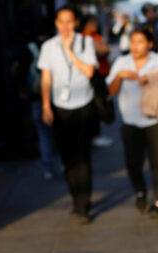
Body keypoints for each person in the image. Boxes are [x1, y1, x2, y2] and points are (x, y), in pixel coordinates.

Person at [38, 5, 98, 224]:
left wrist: (70, 51)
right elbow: (46, 78)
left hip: (83, 104)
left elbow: (89, 71)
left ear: (76, 23)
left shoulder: (85, 42)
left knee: (82, 154)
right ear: (56, 23)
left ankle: (84, 202)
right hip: (59, 106)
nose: (65, 26)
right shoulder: (48, 47)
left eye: (69, 21)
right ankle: (76, 198)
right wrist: (46, 106)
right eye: (61, 21)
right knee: (67, 156)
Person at [107, 28, 158, 217]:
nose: (135, 46)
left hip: (157, 120)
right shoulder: (121, 62)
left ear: (150, 44)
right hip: (130, 121)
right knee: (133, 163)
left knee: (157, 162)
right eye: (132, 41)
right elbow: (111, 91)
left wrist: (148, 79)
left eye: (140, 41)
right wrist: (120, 76)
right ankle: (140, 192)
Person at [27, 21, 63, 180]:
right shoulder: (53, 48)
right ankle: (64, 164)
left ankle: (48, 167)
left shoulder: (29, 48)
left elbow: (16, 70)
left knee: (44, 134)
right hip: (56, 96)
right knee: (59, 133)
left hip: (36, 97)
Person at [80, 15, 115, 148]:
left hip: (101, 74)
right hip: (94, 76)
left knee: (100, 103)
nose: (95, 24)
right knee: (96, 105)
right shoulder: (86, 38)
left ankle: (96, 134)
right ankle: (95, 135)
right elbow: (103, 51)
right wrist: (104, 49)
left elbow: (105, 50)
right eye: (92, 22)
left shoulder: (96, 37)